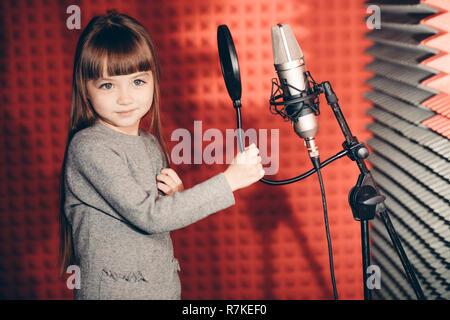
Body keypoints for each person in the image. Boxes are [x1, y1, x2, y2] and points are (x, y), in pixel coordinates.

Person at [58, 10, 264, 300]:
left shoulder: (149, 143)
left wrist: (174, 197)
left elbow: (157, 217)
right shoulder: (89, 147)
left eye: (138, 82)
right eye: (108, 85)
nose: (125, 98)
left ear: (154, 79)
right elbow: (150, 218)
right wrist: (228, 181)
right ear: (85, 89)